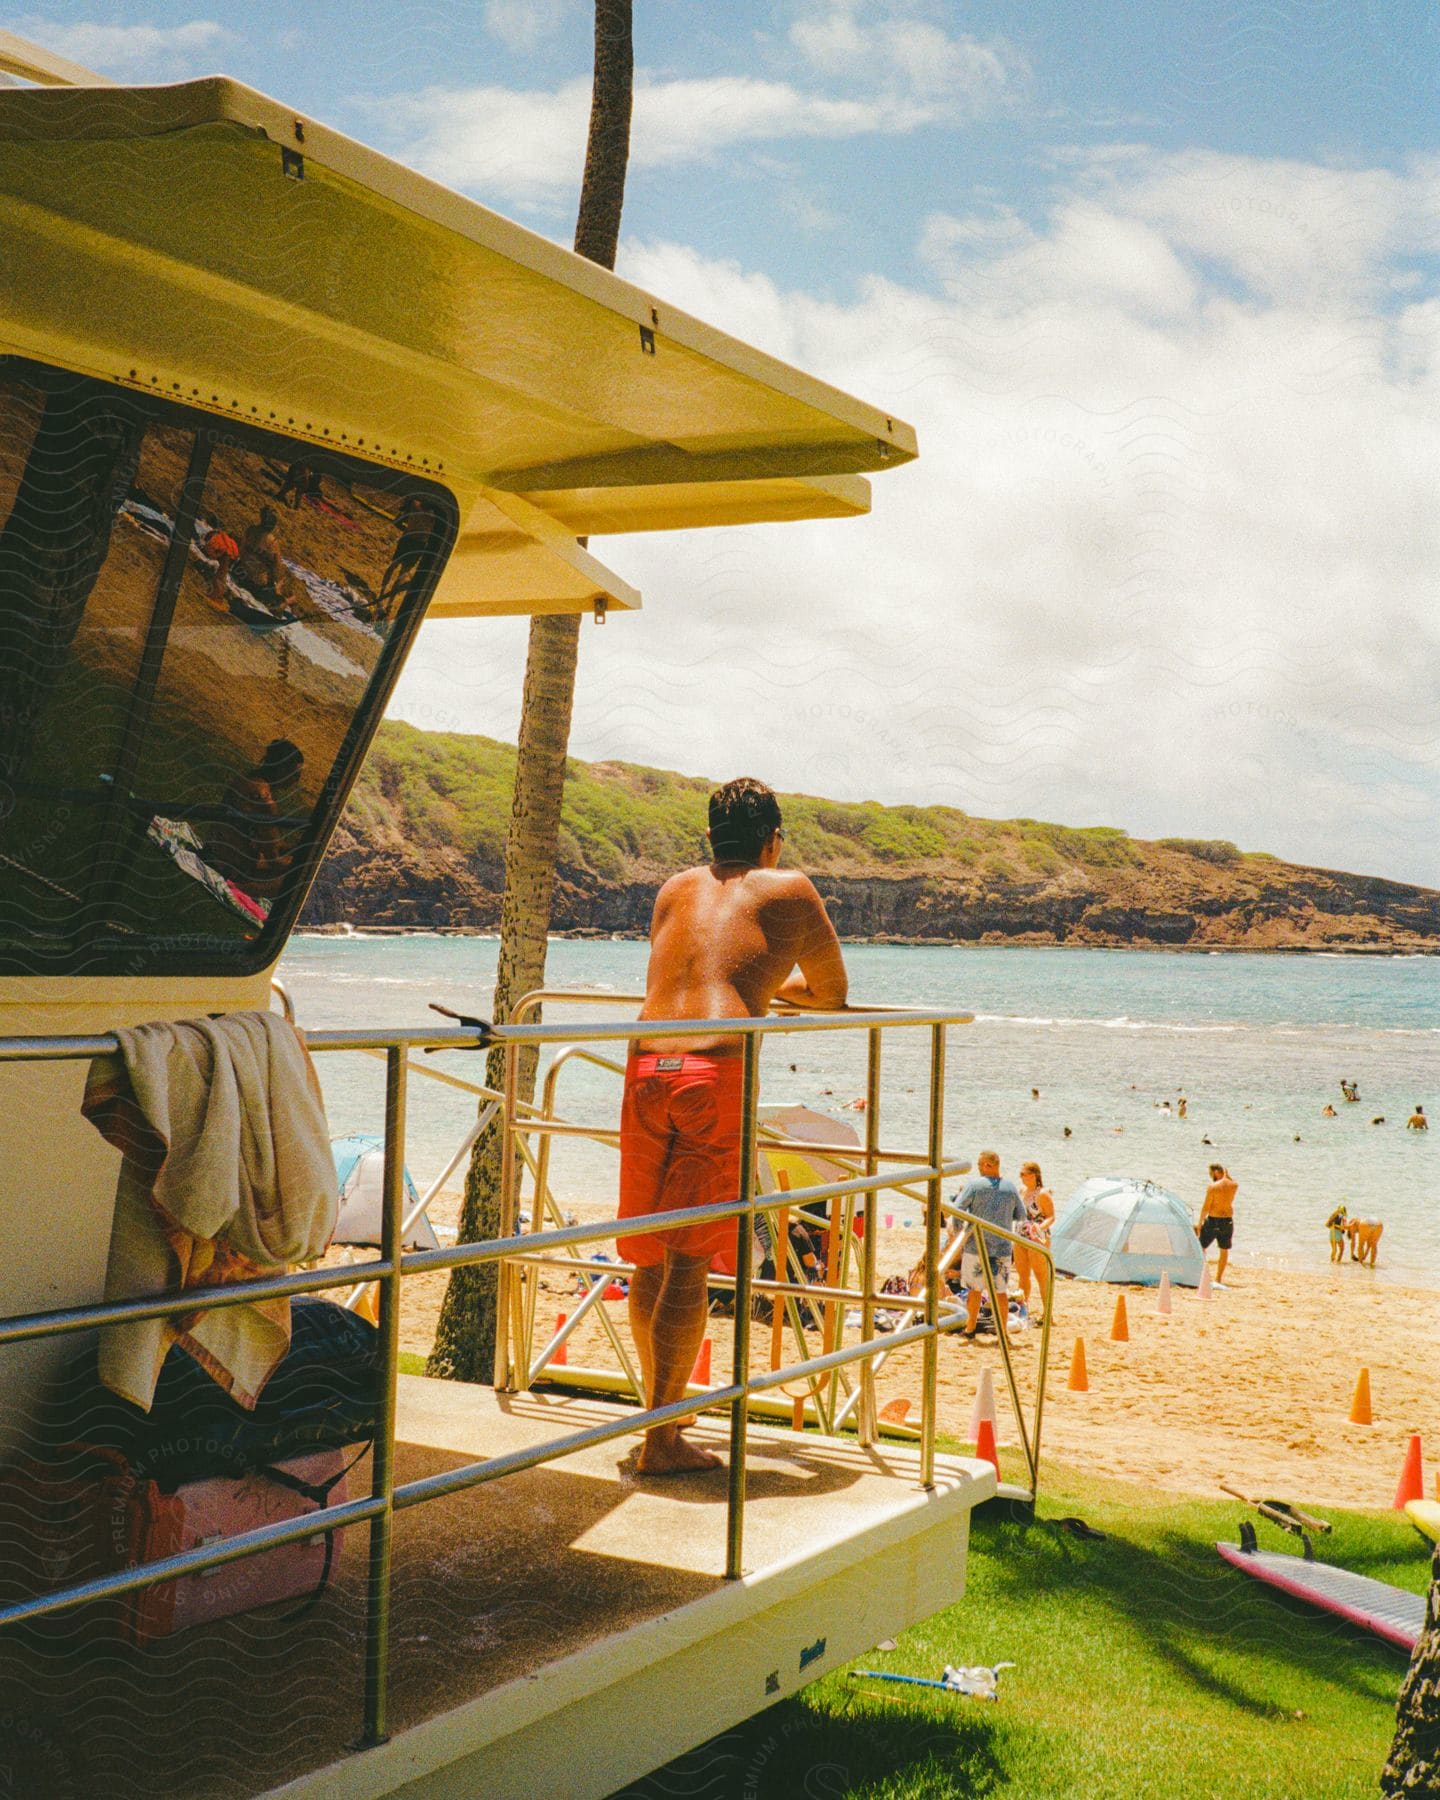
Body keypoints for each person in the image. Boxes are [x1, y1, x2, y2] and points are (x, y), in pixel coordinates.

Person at [615, 777, 847, 1475]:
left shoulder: (674, 889)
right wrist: (767, 994)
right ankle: (663, 1440)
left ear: (710, 839)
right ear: (773, 839)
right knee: (688, 1260)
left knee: (652, 1255)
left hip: (644, 1064)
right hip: (713, 1072)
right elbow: (833, 995)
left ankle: (660, 1420)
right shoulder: (790, 889)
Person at [207, 739, 306, 899]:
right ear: (281, 769)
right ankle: (246, 890)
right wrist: (301, 862)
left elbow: (265, 841)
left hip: (213, 851)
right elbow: (273, 860)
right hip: (233, 869)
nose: (296, 780)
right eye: (295, 774)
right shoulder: (266, 803)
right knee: (302, 874)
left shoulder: (246, 779)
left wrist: (297, 849)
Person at [949, 1151, 1026, 1341]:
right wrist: (1004, 1218)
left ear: (987, 1165)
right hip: (1001, 1246)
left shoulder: (974, 1186)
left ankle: (970, 1329)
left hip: (976, 1244)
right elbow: (1021, 1215)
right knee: (1000, 1292)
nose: (978, 1169)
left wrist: (960, 1233)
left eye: (979, 1165)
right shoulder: (1010, 1188)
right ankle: (1002, 1332)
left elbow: (957, 1209)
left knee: (974, 1290)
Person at [1014, 1159, 1054, 1315]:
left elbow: (1051, 1217)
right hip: (1020, 1236)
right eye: (1021, 1174)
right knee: (1023, 1276)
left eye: (1025, 1174)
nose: (1023, 1177)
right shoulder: (1022, 1191)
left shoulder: (1042, 1194)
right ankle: (1023, 1309)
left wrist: (1038, 1228)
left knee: (1041, 1277)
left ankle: (1047, 1312)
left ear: (1035, 1175)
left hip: (1037, 1237)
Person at [1196, 1162, 1237, 1286]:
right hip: (1228, 1220)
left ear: (1215, 1172)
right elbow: (1232, 1181)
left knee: (1200, 1246)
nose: (1211, 1176)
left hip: (1214, 1219)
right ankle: (1218, 1278)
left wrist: (1199, 1224)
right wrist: (1227, 1176)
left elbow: (1206, 1207)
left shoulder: (1213, 1187)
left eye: (1211, 1173)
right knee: (1224, 1250)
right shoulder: (1234, 1185)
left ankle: (1200, 1275)